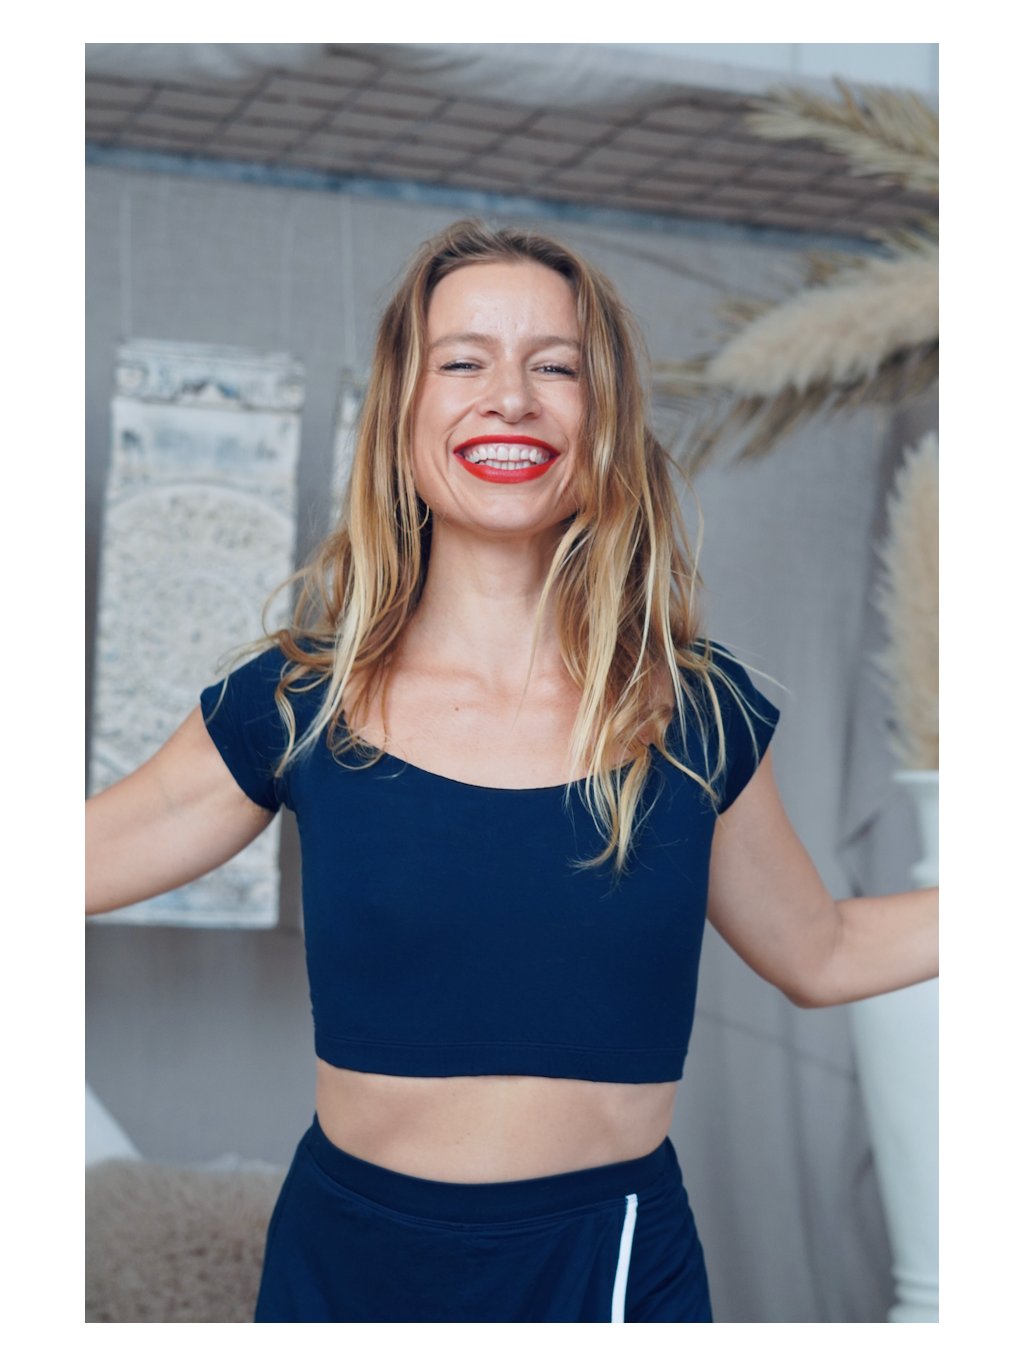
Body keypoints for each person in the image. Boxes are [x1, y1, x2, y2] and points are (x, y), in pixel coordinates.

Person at [85, 219, 938, 1323]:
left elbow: (821, 951)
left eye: (556, 368)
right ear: (401, 414)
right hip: (347, 1268)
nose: (511, 399)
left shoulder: (689, 708)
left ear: (603, 421)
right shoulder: (299, 699)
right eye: (463, 362)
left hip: (608, 1270)